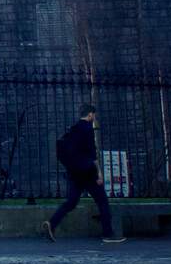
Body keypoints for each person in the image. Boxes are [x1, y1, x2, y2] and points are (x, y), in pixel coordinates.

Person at [41, 103, 122, 244]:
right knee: (102, 201)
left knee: (71, 202)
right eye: (94, 115)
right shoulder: (87, 130)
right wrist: (99, 173)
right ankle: (108, 234)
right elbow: (92, 154)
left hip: (75, 172)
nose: (94, 117)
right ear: (90, 114)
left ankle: (52, 223)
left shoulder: (73, 130)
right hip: (88, 172)